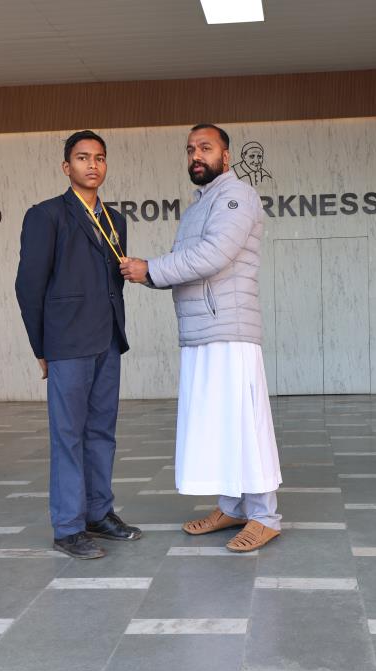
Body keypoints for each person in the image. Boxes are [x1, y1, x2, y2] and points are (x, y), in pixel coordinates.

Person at [120, 123, 283, 553]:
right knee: (219, 424)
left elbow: (213, 255)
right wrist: (151, 273)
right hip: (201, 330)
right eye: (191, 148)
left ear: (225, 157)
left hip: (229, 328)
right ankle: (232, 507)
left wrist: (151, 269)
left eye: (206, 148)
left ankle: (265, 516)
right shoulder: (201, 203)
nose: (196, 155)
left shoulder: (236, 196)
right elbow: (190, 261)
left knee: (244, 424)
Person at [16, 130, 142, 560]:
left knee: (102, 431)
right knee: (68, 435)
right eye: (83, 157)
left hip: (108, 338)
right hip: (67, 342)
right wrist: (41, 346)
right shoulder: (46, 215)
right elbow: (29, 285)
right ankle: (68, 526)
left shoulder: (116, 220)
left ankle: (98, 513)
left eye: (100, 158)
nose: (93, 165)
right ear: (66, 166)